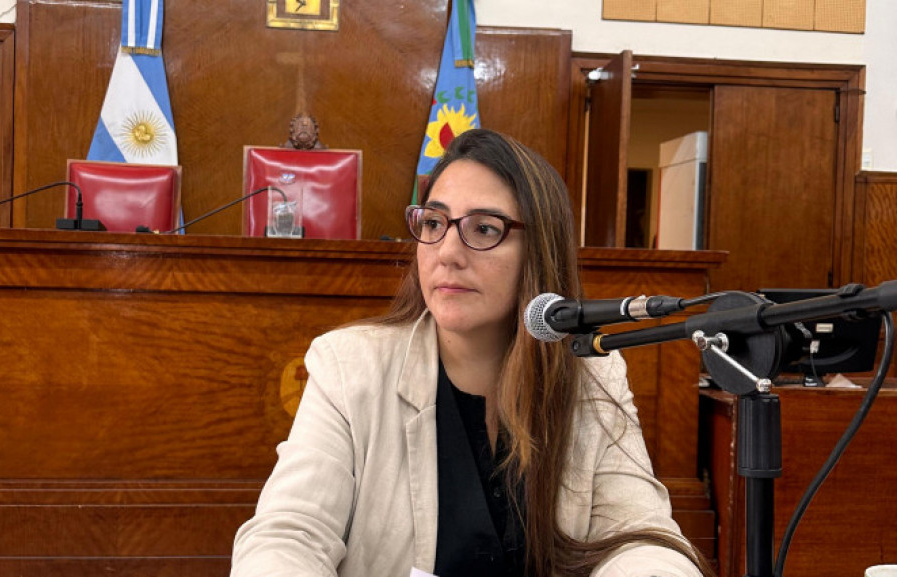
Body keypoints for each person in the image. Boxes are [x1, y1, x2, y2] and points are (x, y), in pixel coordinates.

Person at [232, 129, 714, 577]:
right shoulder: (349, 366)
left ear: (539, 252)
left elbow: (642, 537)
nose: (446, 252)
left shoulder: (591, 371)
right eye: (434, 222)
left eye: (484, 229)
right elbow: (288, 534)